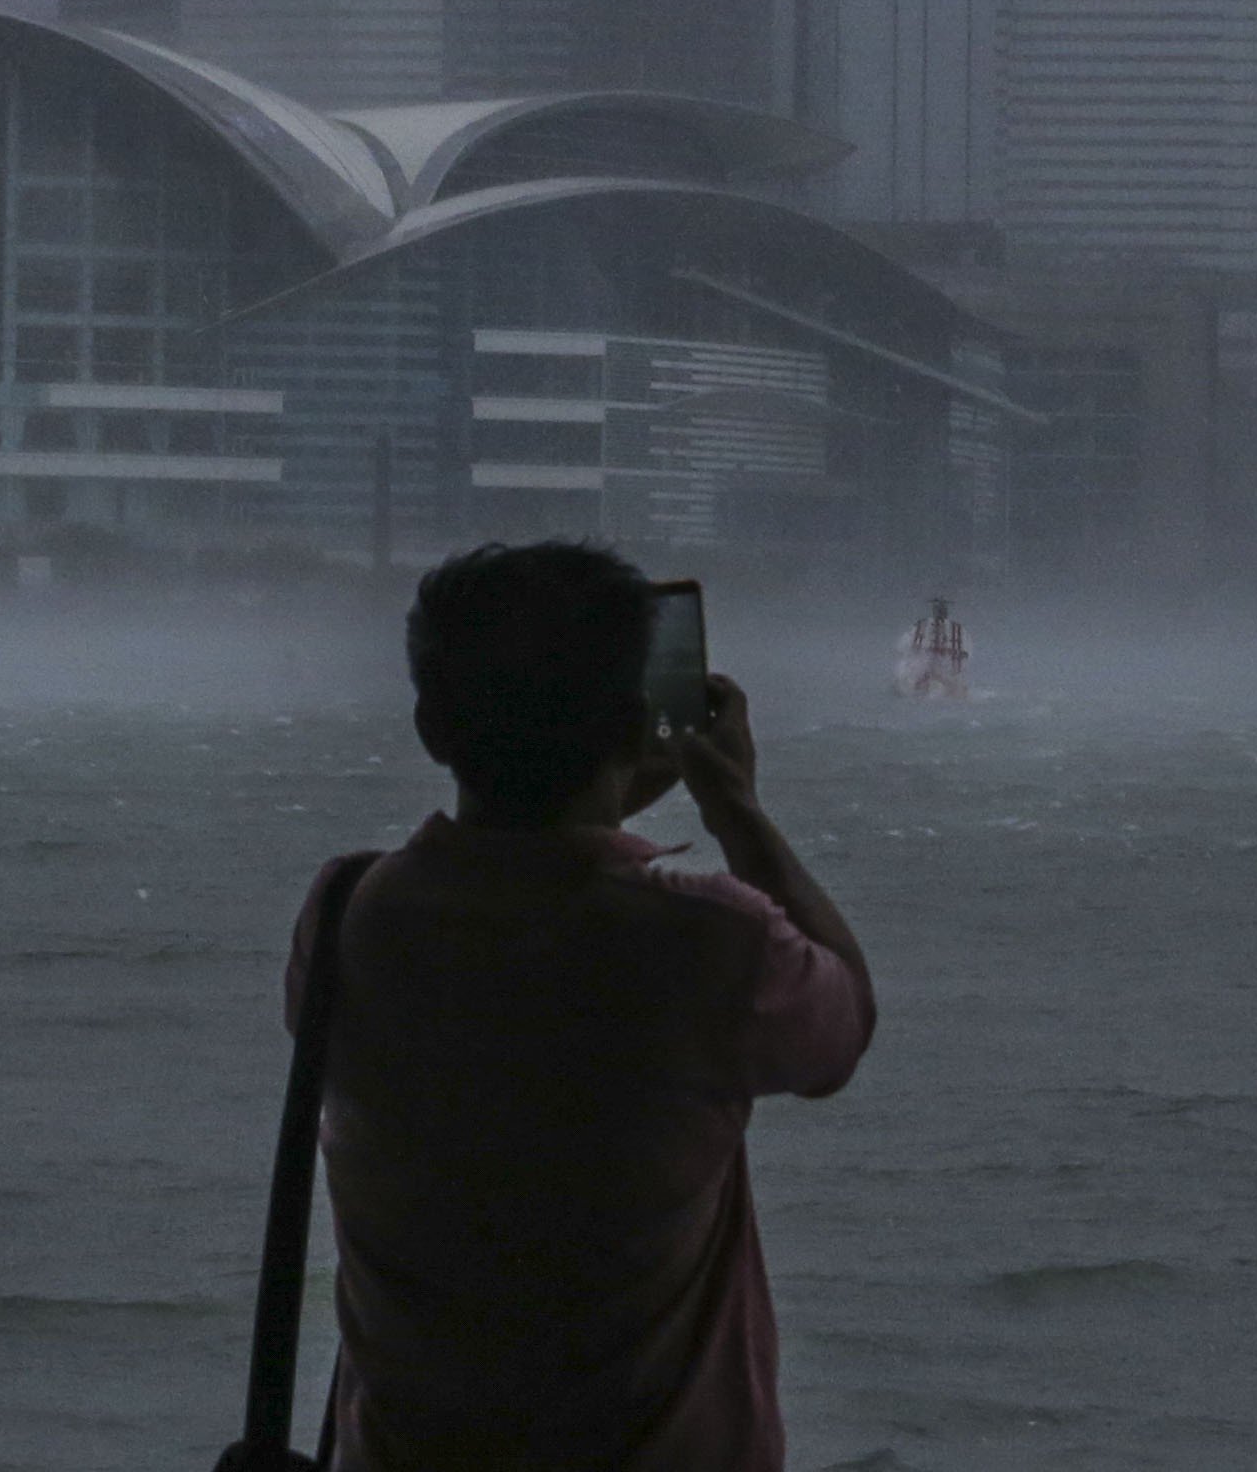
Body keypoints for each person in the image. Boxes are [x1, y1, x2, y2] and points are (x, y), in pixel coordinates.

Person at [289, 540, 876, 1472]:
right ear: (641, 722)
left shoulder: (348, 914)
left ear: (433, 727)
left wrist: (599, 788)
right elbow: (844, 1024)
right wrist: (735, 808)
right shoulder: (703, 941)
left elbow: (517, 933)